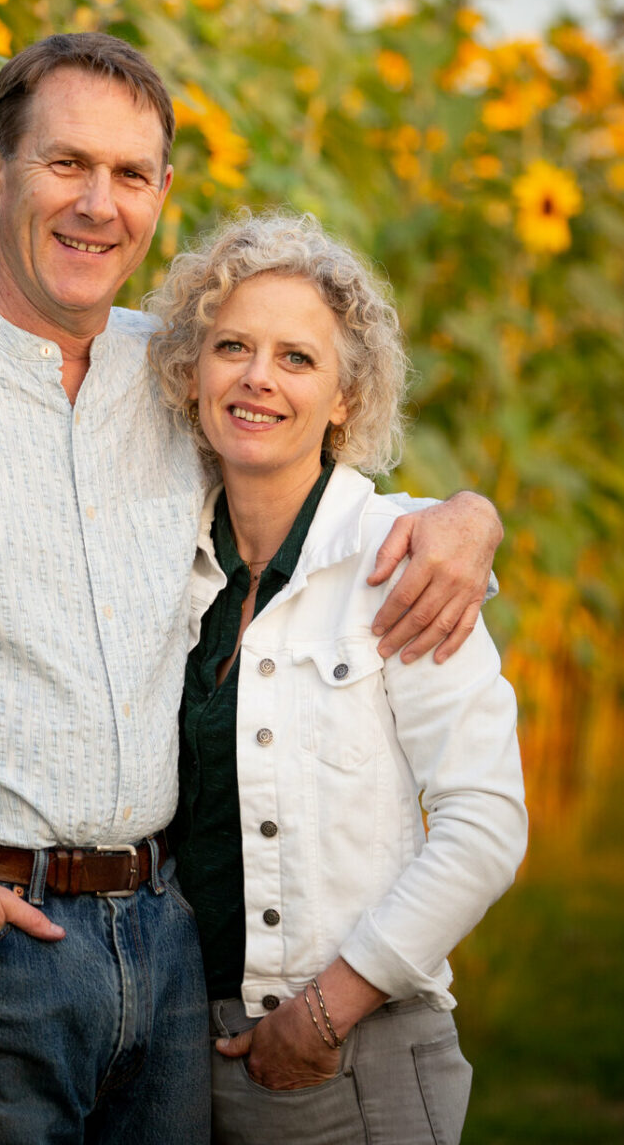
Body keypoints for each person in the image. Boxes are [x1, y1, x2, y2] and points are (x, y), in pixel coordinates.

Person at [0, 33, 503, 1145]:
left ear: (162, 193)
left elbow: (318, 492)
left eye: (130, 174)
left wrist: (468, 519)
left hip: (166, 952)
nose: (98, 204)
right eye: (65, 164)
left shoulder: (173, 373)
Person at [144, 213, 527, 1144]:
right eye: (230, 346)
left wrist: (320, 1018)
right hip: (179, 1061)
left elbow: (485, 824)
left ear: (346, 396)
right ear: (191, 371)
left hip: (355, 1058)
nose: (256, 379)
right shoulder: (165, 564)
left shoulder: (403, 562)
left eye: (296, 359)